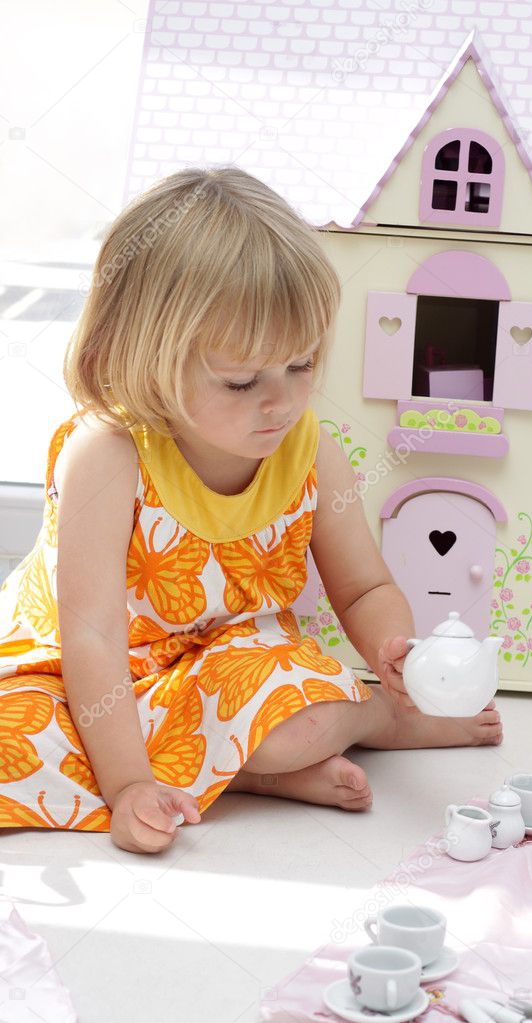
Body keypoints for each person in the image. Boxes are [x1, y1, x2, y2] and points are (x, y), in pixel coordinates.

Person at [0, 167, 502, 854]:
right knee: (14, 739)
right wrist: (126, 789)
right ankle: (243, 776)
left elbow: (365, 587)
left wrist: (394, 656)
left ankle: (379, 717)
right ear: (147, 357)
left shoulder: (307, 451)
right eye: (241, 381)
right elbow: (91, 641)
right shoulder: (108, 454)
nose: (282, 401)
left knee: (296, 721)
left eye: (300, 366)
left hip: (232, 668)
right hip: (91, 674)